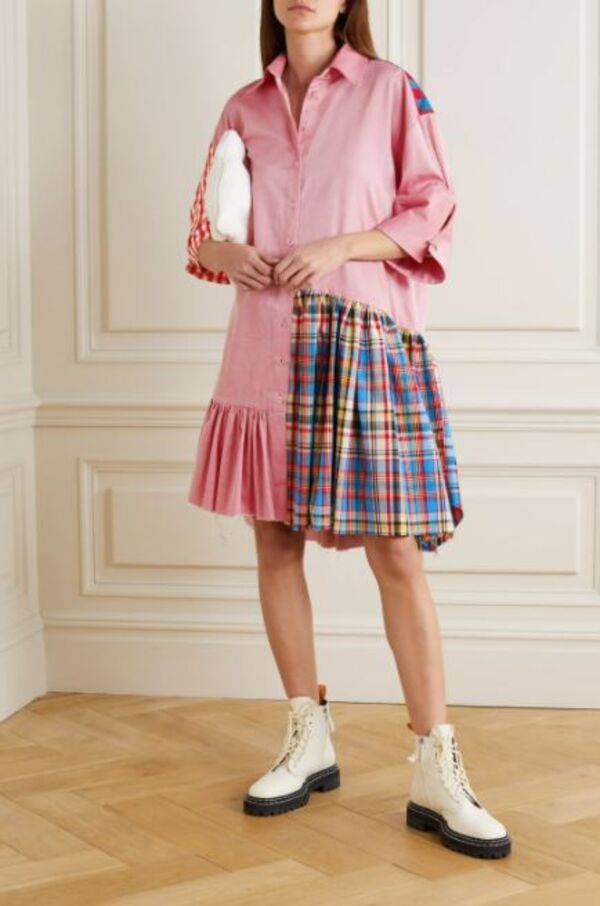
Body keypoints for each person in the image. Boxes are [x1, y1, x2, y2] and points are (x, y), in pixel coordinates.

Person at [185, 0, 511, 860]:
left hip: (362, 345)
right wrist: (228, 253)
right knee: (273, 540)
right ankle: (308, 734)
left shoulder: (390, 90)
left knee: (395, 552)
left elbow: (433, 206)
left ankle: (436, 764)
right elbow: (205, 232)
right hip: (264, 348)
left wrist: (339, 247)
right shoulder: (243, 106)